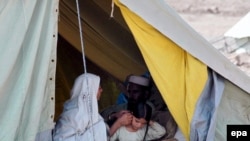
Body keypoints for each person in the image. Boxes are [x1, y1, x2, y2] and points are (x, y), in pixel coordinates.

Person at [53, 73, 108, 141]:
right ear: (90, 89)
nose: (101, 90)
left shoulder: (91, 113)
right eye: (98, 87)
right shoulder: (75, 113)